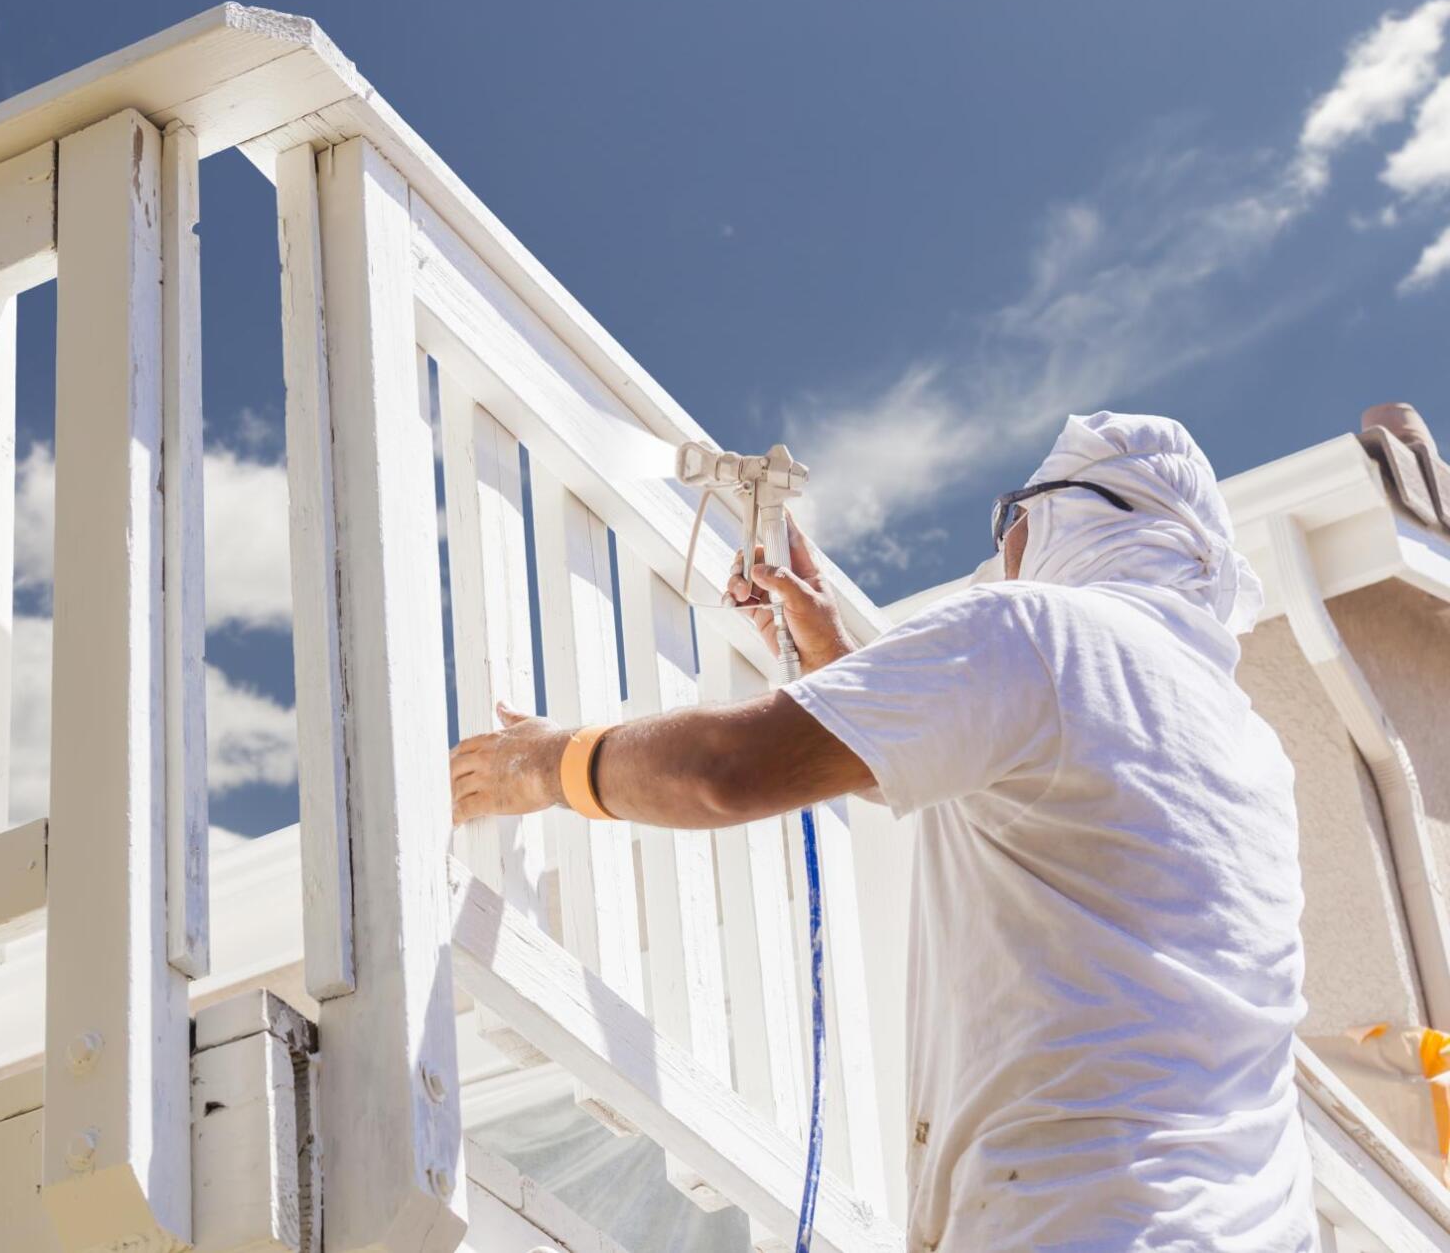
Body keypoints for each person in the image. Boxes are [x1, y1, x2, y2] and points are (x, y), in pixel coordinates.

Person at [450, 411, 1314, 1253]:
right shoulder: (1250, 751)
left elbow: (724, 769)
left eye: (1011, 516)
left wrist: (551, 762)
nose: (1002, 549)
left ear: (1066, 515)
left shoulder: (1043, 631)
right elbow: (1012, 793)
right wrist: (837, 661)